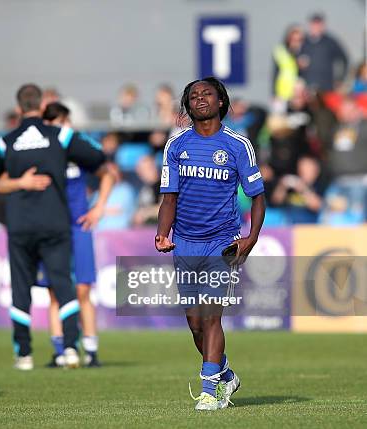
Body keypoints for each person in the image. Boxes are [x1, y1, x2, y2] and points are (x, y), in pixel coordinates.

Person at [156, 77, 265, 411]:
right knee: (194, 324)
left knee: (211, 317)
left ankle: (211, 391)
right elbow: (169, 198)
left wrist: (250, 239)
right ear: (187, 106)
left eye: (207, 94)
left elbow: (258, 198)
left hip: (222, 243)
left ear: (221, 101)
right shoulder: (175, 146)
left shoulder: (238, 144)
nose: (199, 98)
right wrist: (163, 233)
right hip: (186, 243)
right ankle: (225, 374)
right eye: (193, 96)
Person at [0, 84, 105, 370]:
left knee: (21, 288)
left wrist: (20, 182)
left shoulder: (6, 142)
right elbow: (98, 159)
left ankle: (24, 354)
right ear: (42, 107)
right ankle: (69, 349)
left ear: (18, 109)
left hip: (20, 224)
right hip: (55, 222)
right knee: (63, 284)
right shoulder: (61, 136)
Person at [298, 13, 348, 92]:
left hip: (327, 88)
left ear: (323, 25)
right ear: (310, 25)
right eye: (314, 24)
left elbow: (344, 59)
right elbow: (295, 62)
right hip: (307, 89)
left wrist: (340, 79)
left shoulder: (330, 42)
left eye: (319, 24)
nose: (316, 27)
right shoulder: (303, 42)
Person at [272, 25, 304, 103]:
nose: (295, 42)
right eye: (293, 39)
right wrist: (274, 93)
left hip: (298, 94)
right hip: (282, 93)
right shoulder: (280, 51)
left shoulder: (304, 52)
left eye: (299, 40)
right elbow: (275, 72)